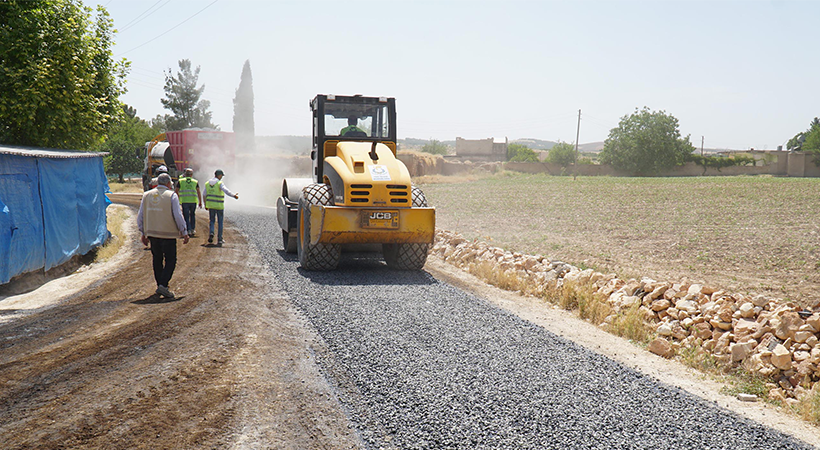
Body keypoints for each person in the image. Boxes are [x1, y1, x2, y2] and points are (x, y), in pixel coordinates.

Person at [137, 173, 189, 298]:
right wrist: (184, 231)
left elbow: (140, 216)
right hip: (168, 234)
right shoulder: (172, 196)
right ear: (168, 183)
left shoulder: (146, 195)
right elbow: (178, 215)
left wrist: (143, 232)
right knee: (171, 260)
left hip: (153, 234)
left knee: (157, 260)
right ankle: (163, 285)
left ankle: (160, 284)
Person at [204, 169, 239, 246]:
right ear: (219, 175)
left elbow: (204, 194)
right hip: (219, 206)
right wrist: (234, 195)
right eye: (221, 176)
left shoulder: (207, 183)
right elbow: (226, 191)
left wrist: (205, 204)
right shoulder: (220, 183)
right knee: (220, 222)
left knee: (212, 220)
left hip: (211, 206)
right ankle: (219, 239)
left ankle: (211, 232)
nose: (221, 177)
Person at [175, 167, 203, 237]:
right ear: (191, 174)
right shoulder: (195, 182)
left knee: (186, 216)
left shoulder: (180, 181)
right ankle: (193, 229)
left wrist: (178, 199)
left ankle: (188, 229)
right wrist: (200, 202)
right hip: (193, 201)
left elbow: (176, 191)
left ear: (185, 174)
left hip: (184, 201)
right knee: (192, 215)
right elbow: (198, 192)